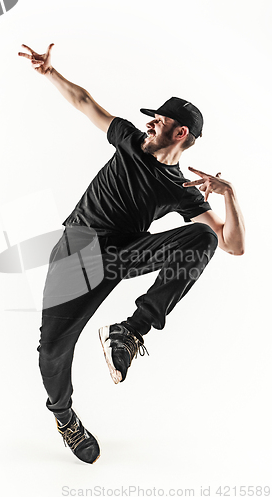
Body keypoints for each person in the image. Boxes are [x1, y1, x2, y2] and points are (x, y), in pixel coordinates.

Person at [18, 43, 245, 465]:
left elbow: (233, 244)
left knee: (203, 239)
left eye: (160, 119)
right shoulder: (126, 137)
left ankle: (132, 329)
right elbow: (85, 102)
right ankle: (64, 416)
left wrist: (230, 197)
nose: (150, 121)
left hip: (122, 255)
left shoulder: (181, 189)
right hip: (76, 252)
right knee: (51, 351)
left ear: (181, 134)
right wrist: (50, 72)